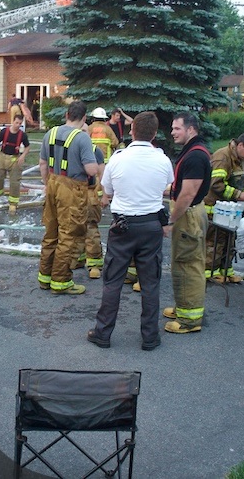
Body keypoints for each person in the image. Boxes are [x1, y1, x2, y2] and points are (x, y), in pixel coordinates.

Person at [87, 112, 174, 350]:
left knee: (113, 281)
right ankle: (150, 337)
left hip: (123, 226)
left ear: (132, 131)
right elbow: (166, 186)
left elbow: (108, 190)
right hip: (151, 226)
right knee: (150, 283)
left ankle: (103, 333)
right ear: (154, 134)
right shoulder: (163, 160)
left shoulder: (118, 158)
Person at [37, 100, 99, 295]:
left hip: (52, 184)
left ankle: (45, 277)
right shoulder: (82, 138)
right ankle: (61, 281)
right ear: (84, 118)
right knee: (69, 234)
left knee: (51, 232)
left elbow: (42, 164)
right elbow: (91, 169)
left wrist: (48, 184)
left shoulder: (50, 133)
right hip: (72, 190)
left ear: (66, 115)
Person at [163, 112, 211, 334]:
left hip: (188, 215)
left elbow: (188, 193)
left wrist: (171, 220)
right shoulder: (193, 152)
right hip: (191, 213)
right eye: (172, 128)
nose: (172, 132)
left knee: (187, 265)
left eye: (177, 128)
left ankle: (189, 320)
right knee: (185, 262)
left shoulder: (195, 157)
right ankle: (184, 307)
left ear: (191, 129)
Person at [203, 132, 244, 284]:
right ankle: (210, 272)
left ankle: (226, 271)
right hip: (215, 207)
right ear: (240, 145)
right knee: (215, 241)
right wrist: (238, 194)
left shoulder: (242, 159)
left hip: (231, 209)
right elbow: (216, 184)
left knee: (230, 239)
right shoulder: (222, 157)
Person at [72, 144, 105, 279]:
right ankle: (78, 258)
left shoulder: (94, 150)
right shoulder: (71, 147)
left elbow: (102, 174)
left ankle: (94, 264)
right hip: (72, 192)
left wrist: (104, 195)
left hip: (88, 192)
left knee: (90, 228)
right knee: (74, 228)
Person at [0, 114, 30, 214]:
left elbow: (27, 147)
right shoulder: (5, 131)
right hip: (2, 157)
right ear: (13, 121)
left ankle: (13, 203)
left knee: (15, 181)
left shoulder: (22, 135)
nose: (18, 125)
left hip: (15, 159)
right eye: (16, 123)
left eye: (20, 123)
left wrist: (23, 156)